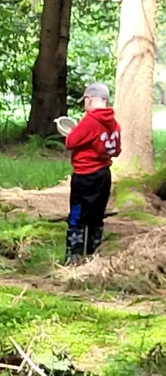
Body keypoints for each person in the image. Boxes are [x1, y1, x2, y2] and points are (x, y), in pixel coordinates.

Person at [64, 82, 122, 264]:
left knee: (77, 216)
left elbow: (70, 142)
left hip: (85, 175)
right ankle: (93, 256)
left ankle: (73, 258)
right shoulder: (114, 123)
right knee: (97, 217)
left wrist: (73, 131)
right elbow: (117, 150)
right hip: (104, 175)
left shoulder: (90, 121)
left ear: (90, 99)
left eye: (85, 101)